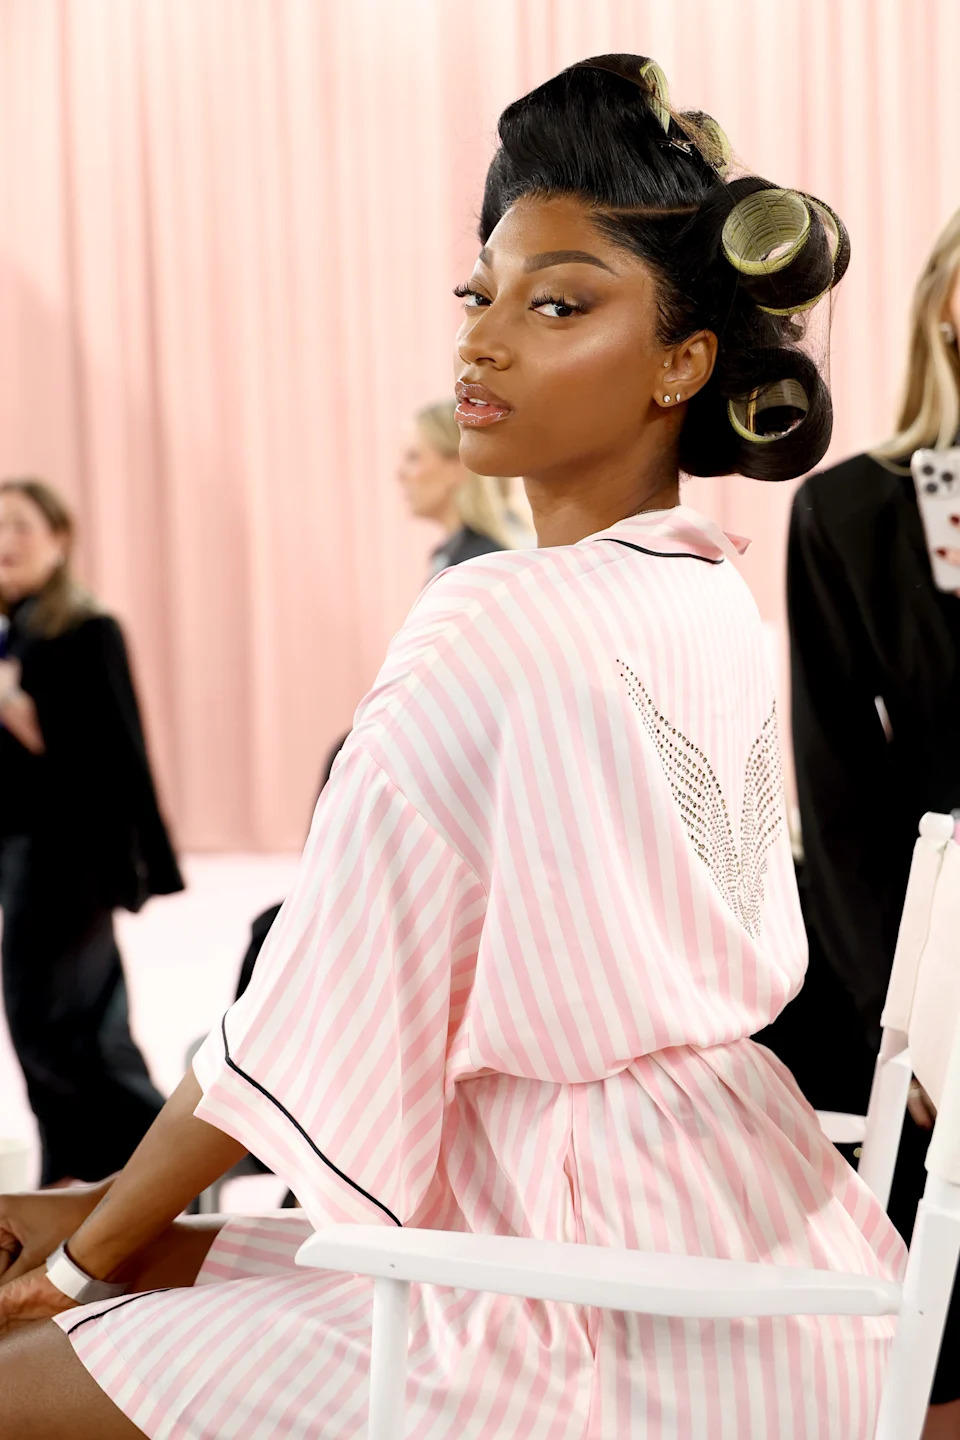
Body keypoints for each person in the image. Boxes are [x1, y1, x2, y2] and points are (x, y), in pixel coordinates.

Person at [0, 56, 904, 1439]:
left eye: (560, 304)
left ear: (684, 362)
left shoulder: (493, 616)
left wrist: (84, 1259)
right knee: (102, 1249)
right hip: (764, 1242)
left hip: (571, 1290)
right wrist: (104, 1221)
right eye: (479, 296)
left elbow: (305, 1016)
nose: (483, 342)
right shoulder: (710, 589)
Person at [784, 207, 960, 1430]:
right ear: (949, 307)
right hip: (940, 963)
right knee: (931, 1337)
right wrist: (910, 1026)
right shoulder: (852, 513)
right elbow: (842, 801)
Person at [0, 480, 183, 1187]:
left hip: (72, 864)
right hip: (27, 861)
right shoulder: (16, 632)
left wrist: (16, 704)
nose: (6, 542)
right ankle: (82, 1183)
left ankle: (160, 1177)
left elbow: (114, 756)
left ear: (59, 538)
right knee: (60, 1034)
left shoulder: (86, 630)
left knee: (70, 1035)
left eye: (20, 525)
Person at [397, 397, 531, 573]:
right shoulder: (451, 555)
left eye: (413, 457)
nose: (400, 474)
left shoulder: (481, 563)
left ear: (458, 466)